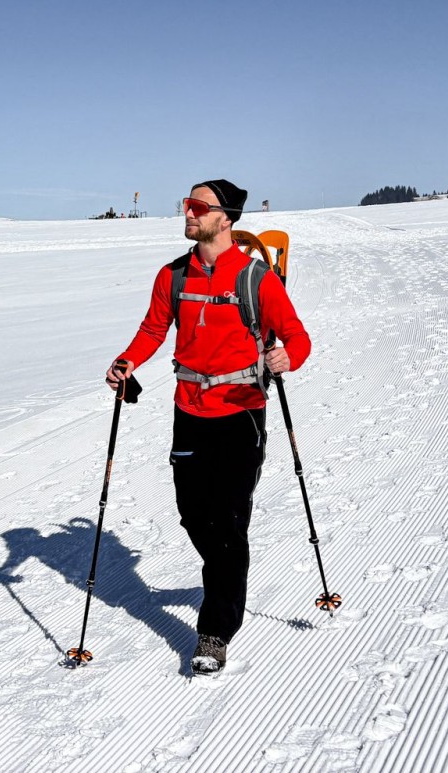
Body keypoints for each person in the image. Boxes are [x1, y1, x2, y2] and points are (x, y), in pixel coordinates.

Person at [106, 179, 311, 674]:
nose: (188, 212)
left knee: (228, 522)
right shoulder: (172, 276)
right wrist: (127, 362)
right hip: (189, 410)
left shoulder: (256, 279)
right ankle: (227, 570)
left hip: (241, 411)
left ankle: (215, 630)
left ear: (227, 218)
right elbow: (155, 328)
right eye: (186, 204)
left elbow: (296, 336)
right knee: (194, 513)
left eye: (198, 206)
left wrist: (287, 357)